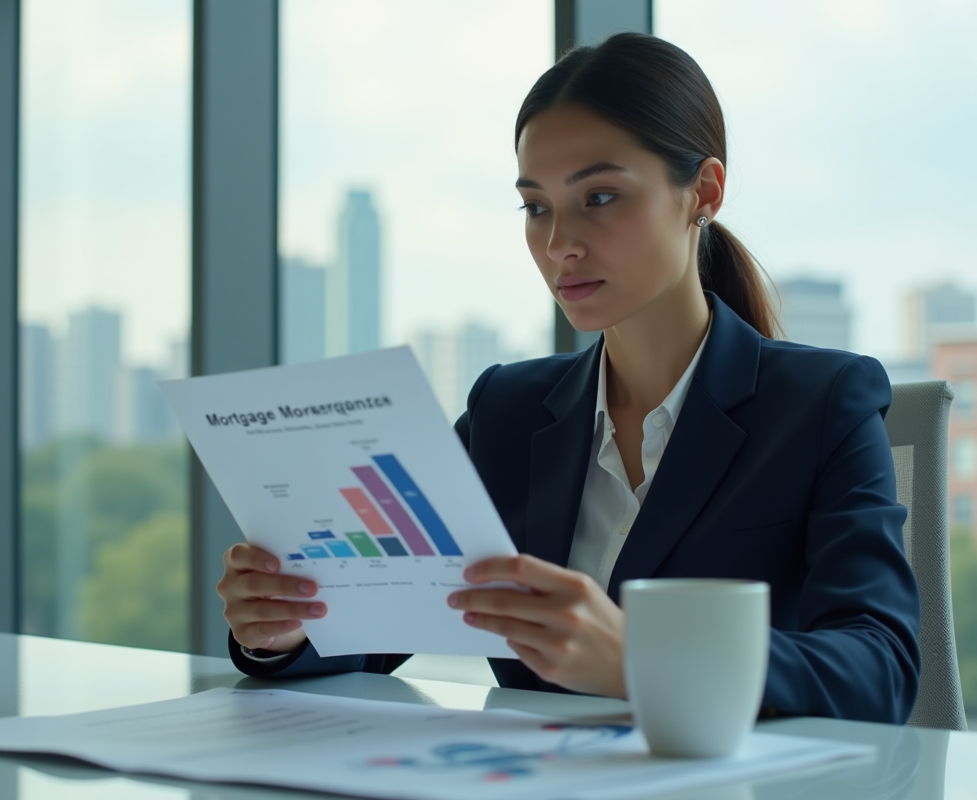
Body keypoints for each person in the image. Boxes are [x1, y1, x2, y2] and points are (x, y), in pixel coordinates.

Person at [218, 33, 921, 723]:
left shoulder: (823, 403)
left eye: (601, 197)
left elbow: (881, 667)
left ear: (703, 192)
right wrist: (291, 628)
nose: (560, 244)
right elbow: (382, 622)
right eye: (536, 207)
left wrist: (646, 658)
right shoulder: (506, 412)